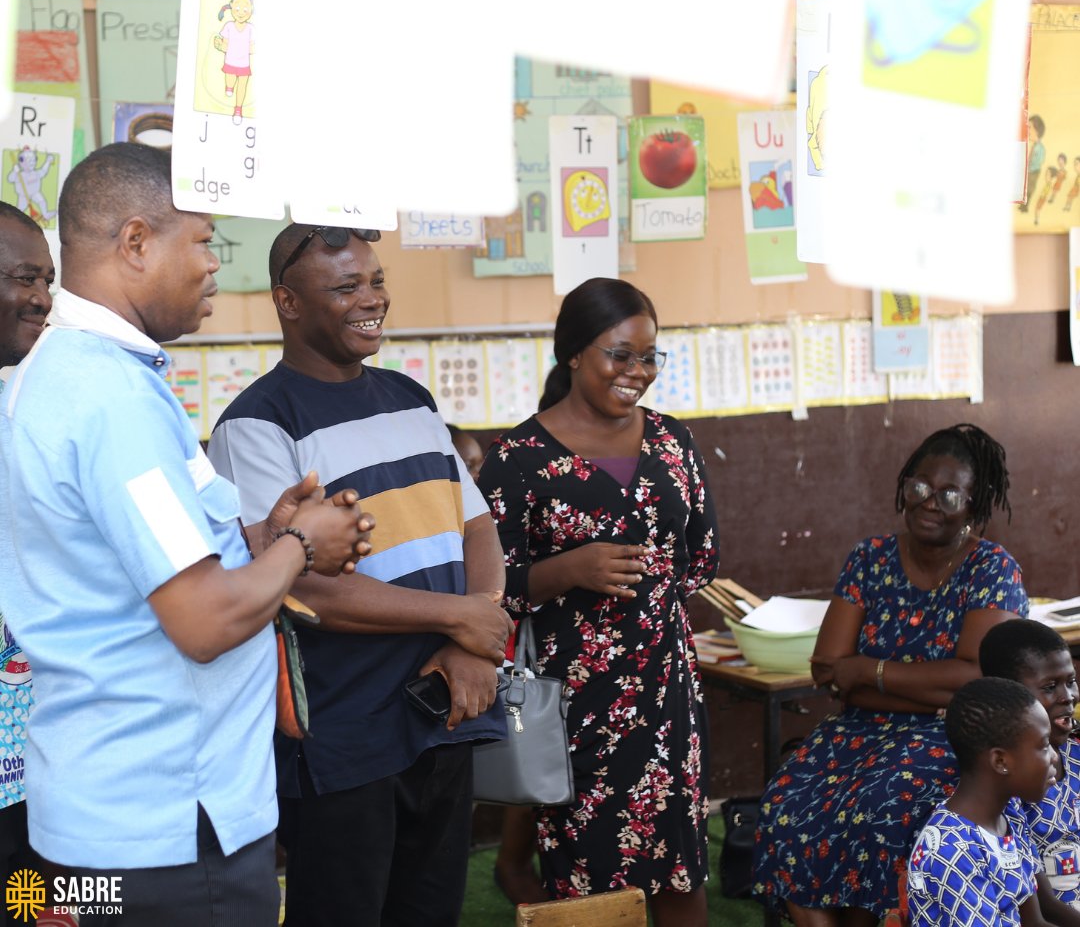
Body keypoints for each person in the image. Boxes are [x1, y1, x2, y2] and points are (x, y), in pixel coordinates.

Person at [0, 143, 371, 926]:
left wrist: (267, 535)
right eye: (201, 240)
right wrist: (301, 548)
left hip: (99, 821)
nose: (213, 265)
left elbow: (143, 554)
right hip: (164, 836)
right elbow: (202, 621)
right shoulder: (108, 397)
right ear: (136, 243)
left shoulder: (72, 373)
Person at [207, 223, 514, 927]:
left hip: (446, 708)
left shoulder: (411, 397)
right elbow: (300, 584)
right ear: (287, 301)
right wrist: (454, 618)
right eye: (345, 286)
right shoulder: (257, 424)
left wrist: (474, 636)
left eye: (375, 281)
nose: (370, 299)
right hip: (346, 734)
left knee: (431, 912)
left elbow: (477, 528)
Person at [477, 276, 720, 927]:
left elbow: (701, 558)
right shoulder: (519, 460)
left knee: (679, 863)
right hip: (576, 703)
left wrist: (648, 614)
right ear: (574, 353)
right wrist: (566, 571)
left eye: (649, 357)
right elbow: (485, 591)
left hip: (666, 692)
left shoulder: (672, 442)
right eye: (620, 354)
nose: (637, 372)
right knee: (590, 871)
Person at [753, 423, 1028, 926]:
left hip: (950, 736)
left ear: (976, 503)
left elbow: (975, 684)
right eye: (919, 486)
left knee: (884, 812)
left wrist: (870, 673)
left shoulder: (992, 569)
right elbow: (829, 671)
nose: (929, 502)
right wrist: (922, 689)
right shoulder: (869, 558)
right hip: (856, 732)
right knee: (785, 805)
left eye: (949, 494)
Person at [0, 202, 53, 924]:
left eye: (47, 279)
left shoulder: (24, 406)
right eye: (23, 277)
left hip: (30, 755)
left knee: (33, 907)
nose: (41, 298)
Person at [906, 676, 1054, 926]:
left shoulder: (1010, 816)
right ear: (1000, 761)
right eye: (1044, 745)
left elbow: (1034, 922)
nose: (1054, 757)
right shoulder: (952, 849)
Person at [981, 618, 1080, 924]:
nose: (1068, 696)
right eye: (1050, 687)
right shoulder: (1010, 782)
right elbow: (1044, 907)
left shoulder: (1075, 754)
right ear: (1008, 695)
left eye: (1071, 681)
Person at [213, 0, 254, 121]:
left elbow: (253, 46)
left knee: (242, 86)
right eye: (237, 8)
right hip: (230, 61)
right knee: (230, 80)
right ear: (231, 6)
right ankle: (229, 86)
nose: (241, 12)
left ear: (251, 9)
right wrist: (220, 46)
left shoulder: (251, 28)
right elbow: (225, 43)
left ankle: (238, 110)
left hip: (244, 64)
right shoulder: (229, 26)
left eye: (245, 9)